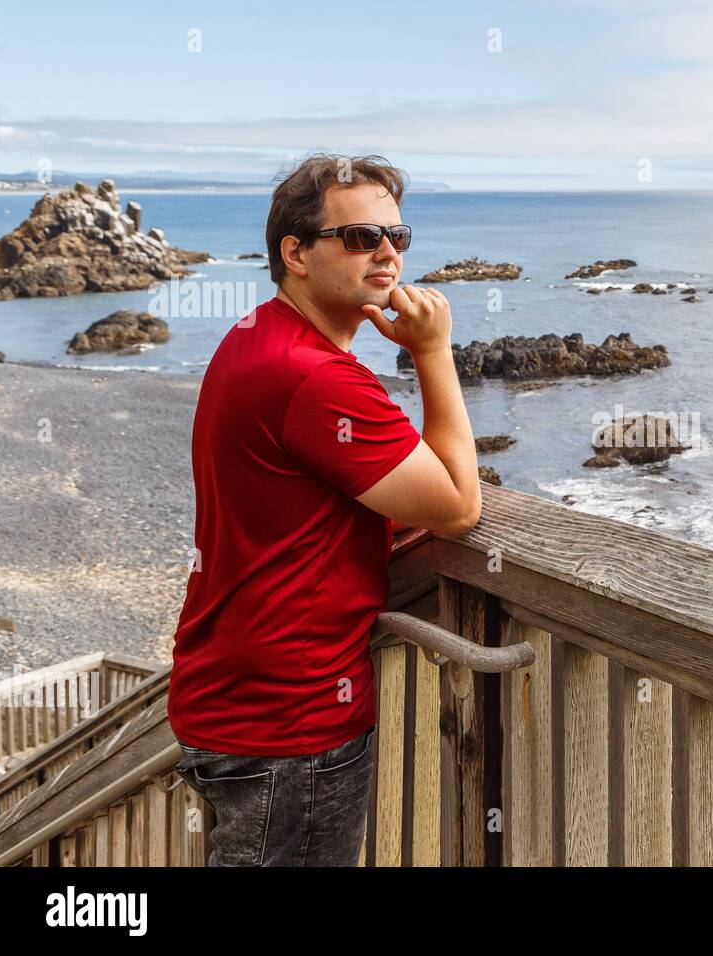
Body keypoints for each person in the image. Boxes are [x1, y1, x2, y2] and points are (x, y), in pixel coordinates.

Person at [167, 153, 481, 866]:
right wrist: (433, 352)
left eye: (397, 237)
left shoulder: (256, 335)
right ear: (296, 253)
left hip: (233, 693)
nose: (386, 254)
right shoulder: (314, 376)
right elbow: (459, 506)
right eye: (361, 237)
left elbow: (307, 492)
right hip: (291, 719)